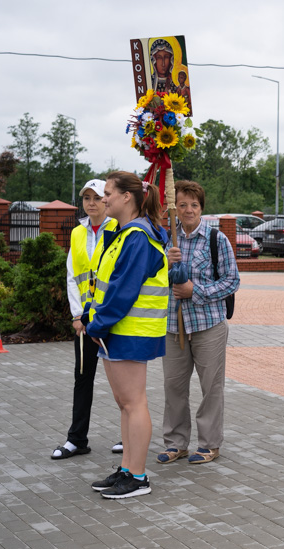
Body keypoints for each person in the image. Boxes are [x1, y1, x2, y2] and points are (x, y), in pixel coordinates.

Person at [86, 171, 169, 499]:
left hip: (130, 329)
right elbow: (105, 283)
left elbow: (123, 291)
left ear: (126, 198)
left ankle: (137, 477)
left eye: (108, 193)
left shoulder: (137, 236)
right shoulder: (123, 233)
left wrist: (97, 324)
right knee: (125, 403)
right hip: (118, 329)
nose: (103, 198)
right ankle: (126, 469)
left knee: (134, 403)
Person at [156, 180, 240, 465]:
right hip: (173, 326)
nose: (188, 210)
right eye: (182, 205)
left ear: (201, 207)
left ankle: (209, 444)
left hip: (208, 326)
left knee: (211, 388)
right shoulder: (167, 240)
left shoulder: (217, 240)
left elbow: (232, 281)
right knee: (173, 387)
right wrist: (166, 265)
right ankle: (176, 443)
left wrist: (197, 291)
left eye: (193, 204)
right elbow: (151, 280)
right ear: (174, 208)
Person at [51, 180, 120, 460]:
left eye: (98, 197)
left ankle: (129, 436)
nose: (92, 203)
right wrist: (77, 315)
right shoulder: (78, 233)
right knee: (83, 378)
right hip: (85, 320)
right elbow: (72, 276)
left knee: (122, 382)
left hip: (114, 318)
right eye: (86, 198)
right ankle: (77, 439)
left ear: (108, 199)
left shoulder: (119, 229)